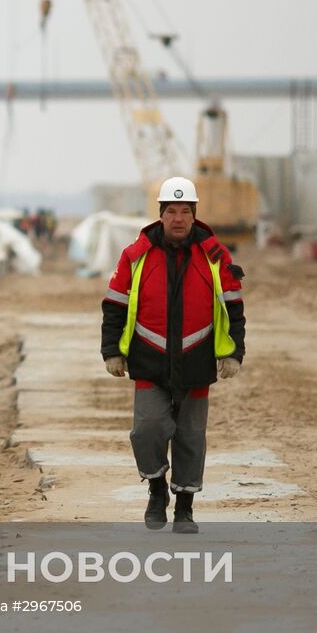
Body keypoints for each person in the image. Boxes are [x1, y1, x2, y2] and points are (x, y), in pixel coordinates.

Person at [99, 177, 246, 534]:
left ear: (194, 215)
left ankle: (184, 508)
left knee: (191, 436)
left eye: (185, 211)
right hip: (149, 358)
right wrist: (111, 351)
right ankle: (155, 489)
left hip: (197, 360)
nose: (178, 218)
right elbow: (114, 305)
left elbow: (234, 307)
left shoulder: (215, 255)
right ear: (160, 215)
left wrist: (234, 353)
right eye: (171, 211)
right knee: (147, 429)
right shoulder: (135, 255)